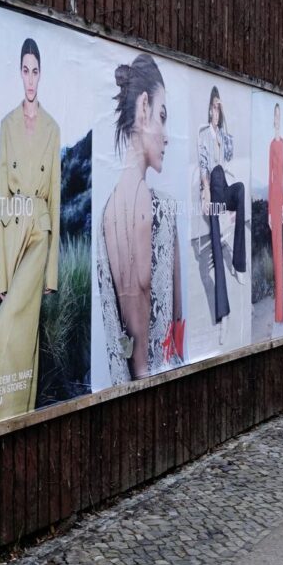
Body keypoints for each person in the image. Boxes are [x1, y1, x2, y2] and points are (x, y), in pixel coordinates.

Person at [0, 39, 61, 427]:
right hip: (14, 229)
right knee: (22, 324)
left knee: (7, 323)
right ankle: (19, 413)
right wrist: (0, 273)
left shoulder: (53, 129)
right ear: (20, 73)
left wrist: (52, 274)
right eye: (25, 69)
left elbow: (57, 201)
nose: (30, 78)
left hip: (40, 230)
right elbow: (0, 196)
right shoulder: (7, 125)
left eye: (36, 70)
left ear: (42, 74)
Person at [97, 54, 183, 382]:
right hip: (163, 386)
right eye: (162, 116)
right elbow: (175, 324)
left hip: (125, 391)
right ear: (144, 108)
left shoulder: (107, 213)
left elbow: (112, 326)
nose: (166, 135)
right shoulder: (163, 210)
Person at [197, 86, 246, 327]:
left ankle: (238, 263)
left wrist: (225, 118)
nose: (217, 110)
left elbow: (229, 153)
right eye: (214, 106)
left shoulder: (222, 135)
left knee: (241, 190)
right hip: (211, 188)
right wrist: (205, 193)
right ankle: (222, 311)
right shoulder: (203, 134)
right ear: (209, 110)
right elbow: (204, 165)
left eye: (219, 107)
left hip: (223, 187)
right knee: (216, 243)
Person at [267, 103, 283, 323]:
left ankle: (281, 311)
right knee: (275, 253)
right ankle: (277, 310)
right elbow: (270, 174)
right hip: (272, 200)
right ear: (273, 120)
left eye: (280, 116)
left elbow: (281, 178)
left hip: (280, 201)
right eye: (276, 116)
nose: (277, 120)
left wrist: (282, 206)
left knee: (281, 253)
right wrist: (269, 212)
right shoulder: (271, 144)